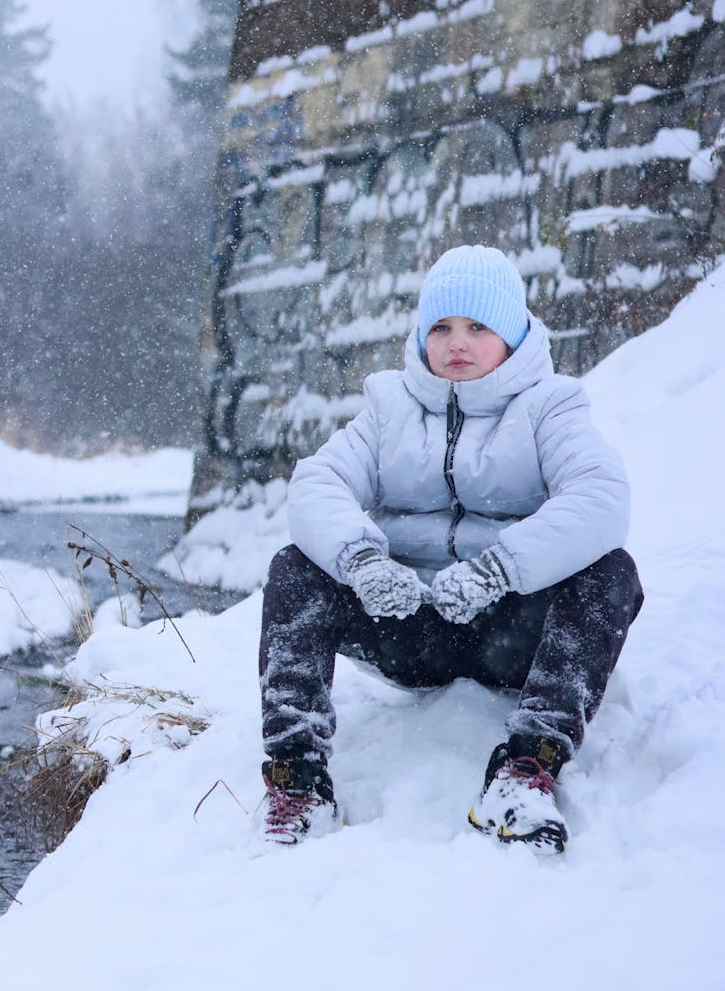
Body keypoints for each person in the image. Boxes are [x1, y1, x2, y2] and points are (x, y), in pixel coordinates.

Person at [258, 245, 643, 853]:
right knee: (295, 568)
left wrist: (499, 569)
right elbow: (317, 484)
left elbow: (601, 497)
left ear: (512, 336)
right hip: (406, 623)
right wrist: (362, 563)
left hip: (511, 630)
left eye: (477, 327)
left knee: (610, 572)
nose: (456, 343)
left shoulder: (551, 407)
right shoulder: (388, 408)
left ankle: (525, 773)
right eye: (441, 327)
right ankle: (297, 781)